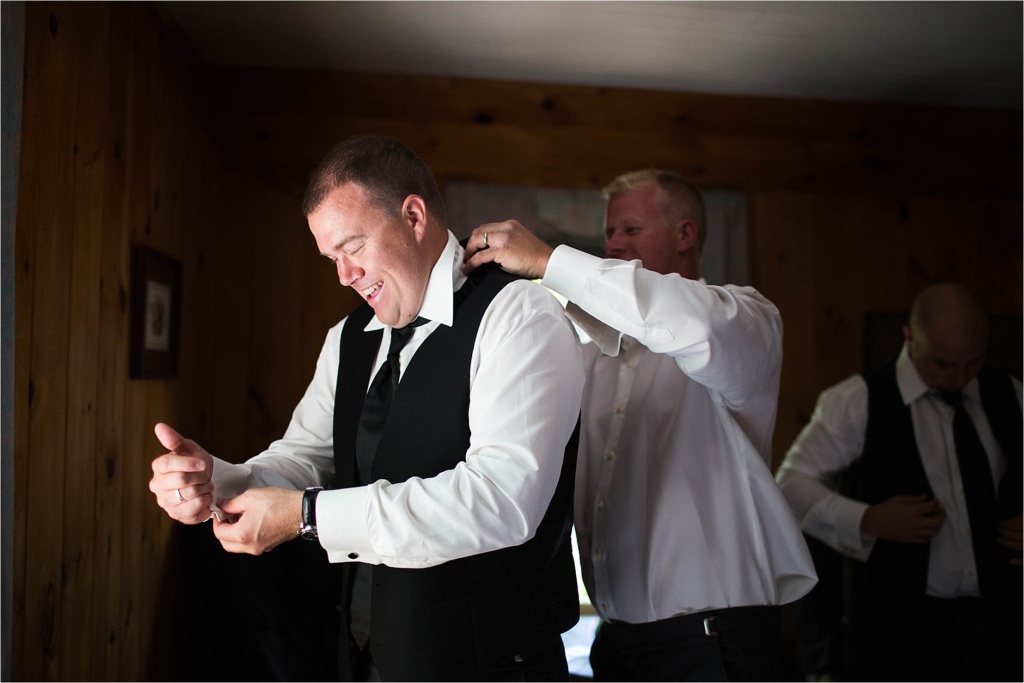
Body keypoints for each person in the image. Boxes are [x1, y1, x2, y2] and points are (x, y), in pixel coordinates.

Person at [148, 135, 586, 682]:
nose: (344, 275)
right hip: (361, 661)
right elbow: (307, 456)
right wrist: (221, 480)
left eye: (353, 247)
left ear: (413, 216)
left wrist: (307, 516)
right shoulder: (348, 338)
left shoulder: (520, 316)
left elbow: (502, 500)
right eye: (332, 258)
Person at [463, 169, 817, 682]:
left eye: (629, 230)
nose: (612, 244)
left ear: (685, 234)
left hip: (718, 647)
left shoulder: (746, 321)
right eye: (609, 233)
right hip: (619, 646)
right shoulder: (590, 358)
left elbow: (697, 325)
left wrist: (549, 262)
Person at [775, 282, 1023, 682]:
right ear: (909, 337)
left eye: (974, 362)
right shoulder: (857, 401)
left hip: (1003, 630)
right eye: (944, 364)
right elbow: (789, 483)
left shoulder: (1010, 394)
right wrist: (868, 519)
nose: (960, 378)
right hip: (900, 637)